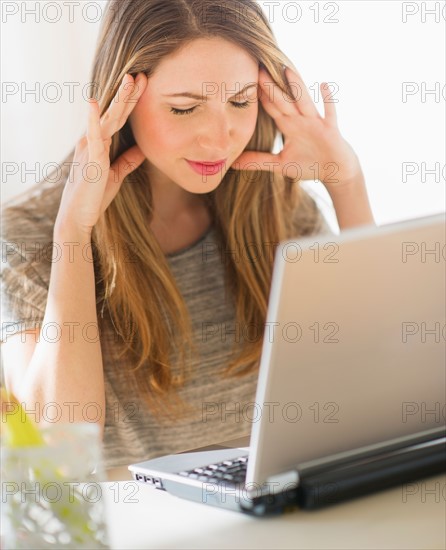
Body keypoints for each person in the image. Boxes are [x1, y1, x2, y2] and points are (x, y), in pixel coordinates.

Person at [1, 0, 374, 468]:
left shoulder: (281, 212)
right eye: (184, 109)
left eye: (240, 101)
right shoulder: (29, 238)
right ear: (122, 100)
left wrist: (347, 184)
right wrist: (74, 235)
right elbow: (57, 451)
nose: (219, 138)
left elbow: (371, 382)